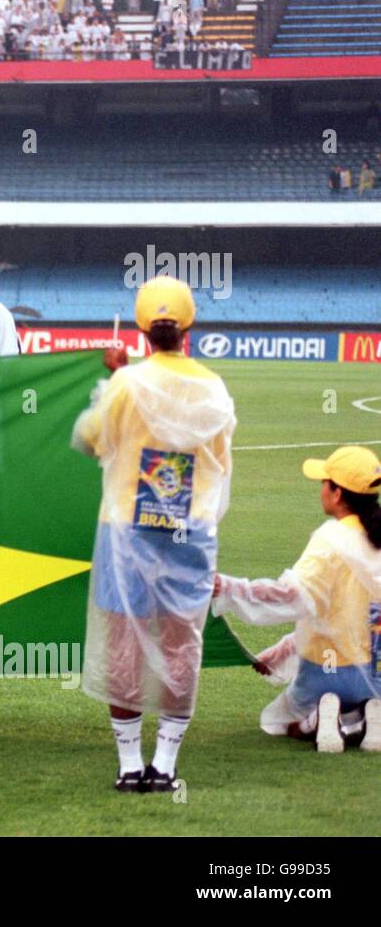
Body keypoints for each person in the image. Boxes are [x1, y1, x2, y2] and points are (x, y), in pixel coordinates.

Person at [71, 276, 236, 792]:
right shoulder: (213, 389)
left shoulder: (127, 385)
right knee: (181, 643)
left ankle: (127, 763)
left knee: (123, 644)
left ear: (142, 330)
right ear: (190, 328)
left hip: (127, 531)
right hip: (189, 531)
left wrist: (111, 382)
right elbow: (221, 460)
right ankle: (165, 761)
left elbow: (89, 439)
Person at [212, 446, 381, 753]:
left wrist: (227, 587)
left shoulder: (331, 540)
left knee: (276, 723)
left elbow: (290, 597)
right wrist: (285, 649)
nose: (321, 490)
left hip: (330, 674)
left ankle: (317, 718)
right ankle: (366, 712)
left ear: (338, 493)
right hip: (376, 672)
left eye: (324, 483)